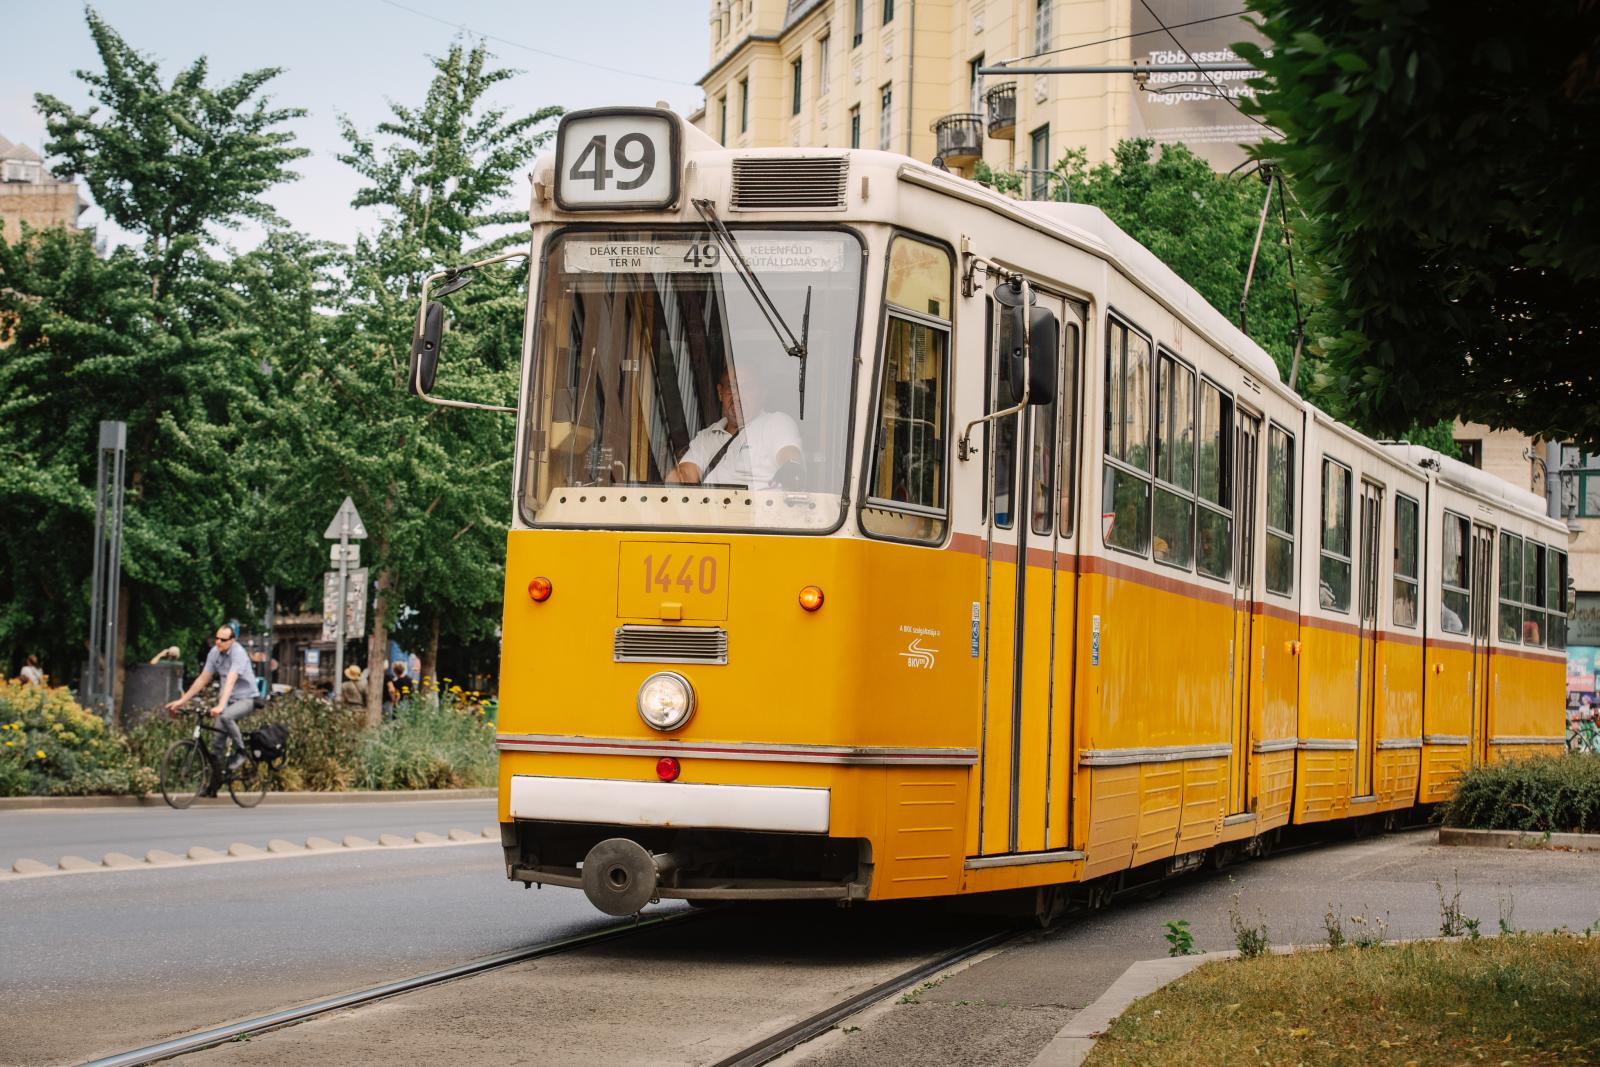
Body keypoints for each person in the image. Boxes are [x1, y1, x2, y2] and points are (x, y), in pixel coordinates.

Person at [666, 366, 802, 489]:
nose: (738, 395)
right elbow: (685, 475)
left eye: (747, 388)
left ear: (762, 394)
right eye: (732, 387)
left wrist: (789, 473)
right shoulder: (707, 436)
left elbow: (790, 460)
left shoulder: (775, 422)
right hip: (708, 513)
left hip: (756, 512)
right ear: (720, 393)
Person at [163, 624, 260, 795]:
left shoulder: (238, 653)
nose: (218, 642)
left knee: (226, 716)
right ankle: (213, 786)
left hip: (246, 698)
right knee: (217, 744)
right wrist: (181, 701)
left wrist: (221, 705)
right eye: (217, 638)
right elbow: (202, 679)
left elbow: (230, 680)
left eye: (223, 640)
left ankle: (241, 752)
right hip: (227, 699)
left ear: (232, 640)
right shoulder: (214, 652)